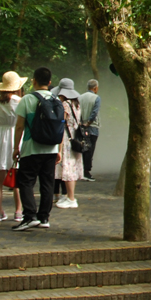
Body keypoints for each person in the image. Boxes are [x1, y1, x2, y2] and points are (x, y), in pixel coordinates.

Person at [11, 67, 60, 231]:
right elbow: (60, 127)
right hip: (51, 149)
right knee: (47, 184)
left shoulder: (27, 99)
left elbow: (19, 126)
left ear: (34, 81)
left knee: (25, 182)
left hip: (31, 148)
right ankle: (44, 217)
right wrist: (58, 149)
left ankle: (29, 216)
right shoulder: (56, 100)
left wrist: (16, 147)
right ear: (50, 82)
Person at [0, 71, 24, 222]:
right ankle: (18, 211)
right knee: (17, 178)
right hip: (15, 135)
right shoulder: (19, 101)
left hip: (0, 136)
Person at [53, 78, 83, 208]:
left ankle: (71, 198)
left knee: (68, 168)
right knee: (73, 167)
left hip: (66, 138)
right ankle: (70, 196)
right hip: (75, 136)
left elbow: (61, 123)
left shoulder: (65, 105)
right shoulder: (76, 104)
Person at [77, 79, 101, 181]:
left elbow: (77, 111)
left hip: (81, 126)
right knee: (90, 149)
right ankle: (87, 171)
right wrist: (89, 122)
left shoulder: (80, 97)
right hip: (93, 127)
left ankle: (81, 170)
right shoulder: (96, 98)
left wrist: (81, 122)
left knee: (82, 148)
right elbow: (95, 112)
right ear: (95, 88)